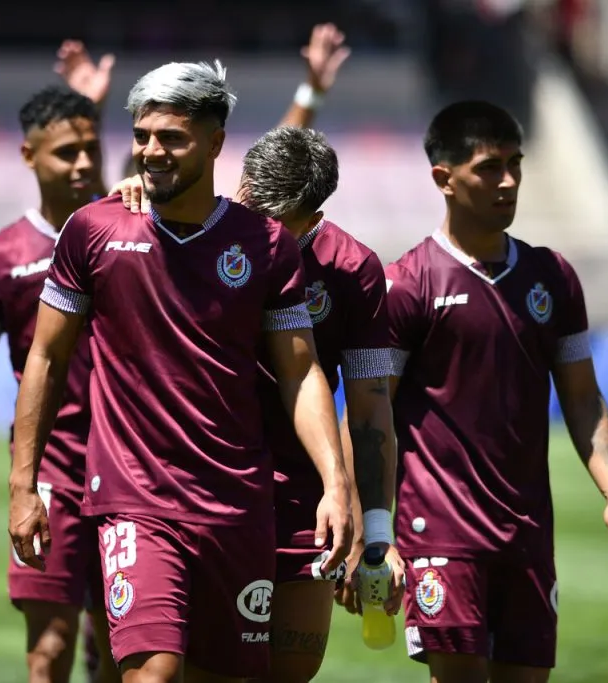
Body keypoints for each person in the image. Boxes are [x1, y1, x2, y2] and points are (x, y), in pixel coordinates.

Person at [9, 60, 352, 683]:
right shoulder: (94, 231)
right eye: (142, 136)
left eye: (171, 137)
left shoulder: (267, 245)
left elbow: (301, 374)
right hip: (133, 500)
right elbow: (47, 357)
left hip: (237, 509)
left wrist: (335, 481)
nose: (151, 151)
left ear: (216, 142)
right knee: (153, 674)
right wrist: (21, 484)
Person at [376, 100, 608, 683]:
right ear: (443, 179)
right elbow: (374, 412)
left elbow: (582, 397)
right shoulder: (408, 283)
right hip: (440, 535)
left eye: (515, 164)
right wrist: (375, 525)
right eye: (489, 167)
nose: (509, 181)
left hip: (526, 535)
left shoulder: (552, 277)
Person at [0, 83, 118, 683]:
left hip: (133, 472)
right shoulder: (1, 255)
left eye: (91, 149)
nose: (84, 164)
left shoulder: (130, 230)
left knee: (125, 660)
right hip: (51, 474)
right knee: (48, 649)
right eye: (66, 152)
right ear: (28, 157)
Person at [239, 128, 401, 682]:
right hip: (207, 484)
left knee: (291, 671)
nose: (252, 219)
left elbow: (371, 405)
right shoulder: (208, 236)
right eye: (248, 201)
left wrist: (375, 530)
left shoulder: (352, 269)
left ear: (311, 216)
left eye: (271, 215)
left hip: (304, 501)